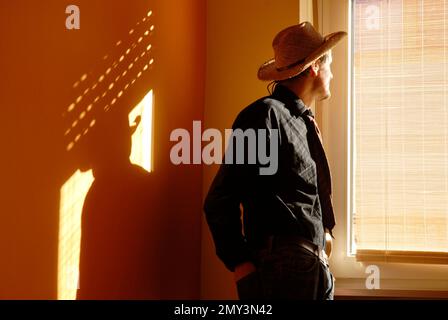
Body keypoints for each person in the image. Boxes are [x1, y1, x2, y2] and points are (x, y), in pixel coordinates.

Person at [203, 22, 347, 300]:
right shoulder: (264, 117)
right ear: (316, 66)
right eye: (329, 64)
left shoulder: (303, 123)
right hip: (283, 272)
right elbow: (220, 199)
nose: (333, 73)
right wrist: (241, 265)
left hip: (312, 270)